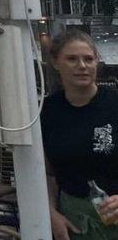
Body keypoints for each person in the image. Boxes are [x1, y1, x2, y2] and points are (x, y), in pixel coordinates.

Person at [42, 31, 118, 239]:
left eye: (88, 59)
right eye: (72, 59)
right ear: (56, 63)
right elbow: (47, 173)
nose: (82, 66)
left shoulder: (114, 105)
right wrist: (50, 213)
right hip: (71, 221)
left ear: (96, 62)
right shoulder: (48, 111)